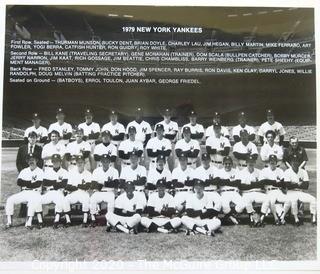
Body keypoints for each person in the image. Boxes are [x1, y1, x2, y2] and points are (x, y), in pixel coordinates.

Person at [5, 153, 44, 229]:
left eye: (33, 160)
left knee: (32, 201)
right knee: (10, 199)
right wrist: (30, 183)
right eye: (29, 160)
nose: (31, 162)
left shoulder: (40, 171)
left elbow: (37, 184)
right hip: (24, 192)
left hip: (35, 192)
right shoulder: (24, 171)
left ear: (36, 160)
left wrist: (25, 183)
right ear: (27, 161)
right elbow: (19, 182)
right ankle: (9, 222)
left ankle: (29, 223)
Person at [283, 155, 316, 225]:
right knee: (293, 200)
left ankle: (313, 218)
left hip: (300, 192)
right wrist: (298, 184)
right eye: (293, 161)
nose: (295, 163)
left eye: (297, 161)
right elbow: (288, 186)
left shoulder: (303, 171)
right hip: (291, 192)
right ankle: (296, 219)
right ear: (291, 162)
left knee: (313, 199)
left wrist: (293, 184)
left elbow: (306, 185)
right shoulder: (287, 171)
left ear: (299, 162)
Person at [259, 155, 291, 225]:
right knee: (271, 201)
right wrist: (274, 182)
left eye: (274, 161)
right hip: (269, 191)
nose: (272, 162)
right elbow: (262, 182)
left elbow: (283, 183)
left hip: (278, 191)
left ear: (276, 162)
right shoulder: (264, 171)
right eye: (271, 161)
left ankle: (282, 217)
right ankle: (276, 218)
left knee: (288, 200)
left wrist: (271, 182)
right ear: (268, 162)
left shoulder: (280, 171)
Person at [239, 155, 269, 227]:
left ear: (255, 162)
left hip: (257, 192)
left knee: (268, 199)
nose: (251, 163)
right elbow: (242, 187)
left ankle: (261, 218)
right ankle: (252, 219)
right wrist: (255, 184)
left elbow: (262, 184)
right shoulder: (242, 172)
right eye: (249, 162)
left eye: (252, 162)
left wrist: (249, 185)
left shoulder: (259, 172)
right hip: (247, 193)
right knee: (246, 200)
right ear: (246, 162)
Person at [90, 154, 119, 228]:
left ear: (109, 162)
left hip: (109, 192)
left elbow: (115, 184)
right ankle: (93, 219)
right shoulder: (96, 171)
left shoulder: (114, 171)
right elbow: (93, 185)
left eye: (107, 161)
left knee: (111, 201)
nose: (105, 163)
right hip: (98, 192)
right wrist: (108, 183)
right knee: (92, 199)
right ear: (101, 162)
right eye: (103, 161)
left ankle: (109, 221)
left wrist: (102, 183)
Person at [41, 154, 69, 228]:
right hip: (49, 192)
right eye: (54, 161)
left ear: (60, 162)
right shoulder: (48, 171)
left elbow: (64, 184)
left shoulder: (64, 172)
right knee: (38, 200)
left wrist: (52, 183)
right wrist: (57, 183)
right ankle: (39, 220)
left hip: (59, 192)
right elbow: (44, 183)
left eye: (57, 161)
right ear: (52, 162)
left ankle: (56, 220)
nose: (56, 163)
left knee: (60, 201)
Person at [64, 155, 92, 227]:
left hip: (83, 193)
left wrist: (76, 186)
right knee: (66, 199)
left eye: (81, 162)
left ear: (84, 163)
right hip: (74, 193)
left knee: (86, 199)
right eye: (78, 162)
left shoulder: (88, 173)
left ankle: (85, 221)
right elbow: (68, 187)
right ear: (76, 163)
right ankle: (68, 221)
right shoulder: (72, 173)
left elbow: (87, 186)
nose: (80, 164)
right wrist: (79, 186)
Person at [218, 156, 245, 225]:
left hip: (234, 192)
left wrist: (225, 182)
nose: (228, 165)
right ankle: (233, 218)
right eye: (226, 163)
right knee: (224, 205)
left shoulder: (236, 171)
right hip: (224, 193)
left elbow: (238, 183)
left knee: (242, 205)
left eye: (229, 163)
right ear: (223, 163)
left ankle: (228, 216)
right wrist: (231, 182)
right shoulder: (219, 172)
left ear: (232, 164)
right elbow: (218, 183)